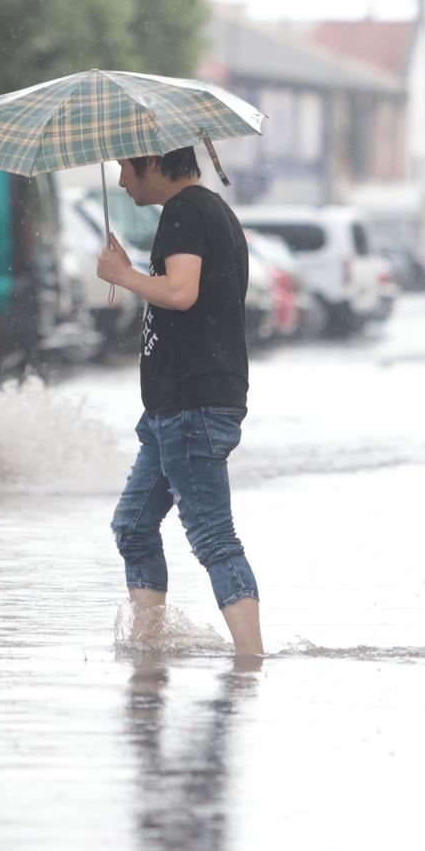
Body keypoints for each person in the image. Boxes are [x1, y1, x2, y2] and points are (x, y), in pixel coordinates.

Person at [96, 146, 262, 657]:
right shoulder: (209, 210)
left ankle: (252, 658)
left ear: (151, 163)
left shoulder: (186, 209)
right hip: (173, 406)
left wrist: (121, 275)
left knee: (212, 534)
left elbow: (182, 291)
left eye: (125, 167)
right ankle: (148, 646)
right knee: (134, 524)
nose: (122, 181)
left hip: (193, 404)